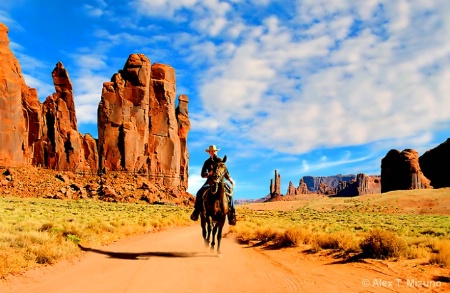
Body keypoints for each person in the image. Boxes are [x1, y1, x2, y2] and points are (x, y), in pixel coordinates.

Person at [190, 145, 237, 225]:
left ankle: (231, 213)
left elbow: (225, 172)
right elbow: (202, 174)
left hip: (220, 182)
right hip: (210, 182)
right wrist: (208, 174)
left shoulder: (220, 161)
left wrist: (230, 180)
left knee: (230, 194)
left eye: (214, 151)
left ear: (216, 151)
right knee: (199, 193)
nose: (213, 152)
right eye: (211, 151)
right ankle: (196, 211)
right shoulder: (207, 162)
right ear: (209, 152)